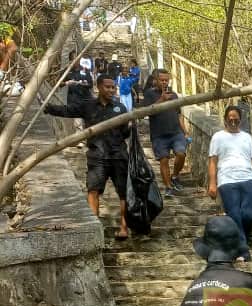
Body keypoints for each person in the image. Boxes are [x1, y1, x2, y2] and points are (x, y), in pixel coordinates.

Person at [44, 74, 130, 240]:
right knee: (93, 190)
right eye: (108, 87)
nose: (111, 90)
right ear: (98, 87)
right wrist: (49, 108)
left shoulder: (120, 108)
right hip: (97, 156)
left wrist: (130, 127)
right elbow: (68, 110)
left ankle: (124, 228)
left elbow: (125, 132)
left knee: (123, 192)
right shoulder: (88, 106)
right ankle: (94, 230)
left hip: (118, 155)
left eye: (113, 87)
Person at [207, 105, 252, 262]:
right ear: (225, 120)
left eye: (236, 119)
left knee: (249, 215)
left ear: (240, 120)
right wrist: (212, 184)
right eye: (230, 119)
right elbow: (213, 162)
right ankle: (243, 251)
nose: (233, 121)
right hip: (227, 180)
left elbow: (251, 160)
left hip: (247, 178)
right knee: (234, 215)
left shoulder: (246, 137)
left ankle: (239, 240)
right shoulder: (218, 137)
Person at [143, 69, 189, 197]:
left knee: (181, 154)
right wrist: (161, 100)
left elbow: (179, 114)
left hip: (176, 132)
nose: (164, 82)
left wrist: (185, 131)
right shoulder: (149, 94)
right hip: (159, 134)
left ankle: (174, 176)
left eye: (166, 80)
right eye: (162, 80)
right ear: (155, 80)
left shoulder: (173, 95)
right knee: (164, 160)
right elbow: (145, 112)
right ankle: (168, 187)